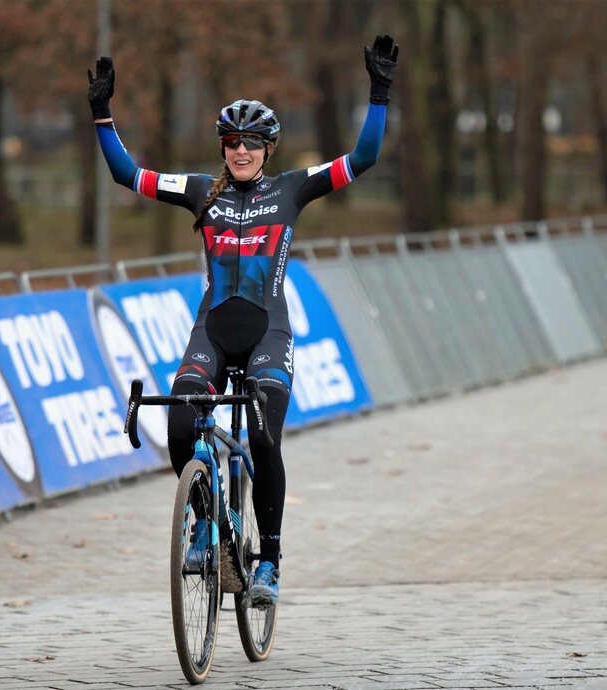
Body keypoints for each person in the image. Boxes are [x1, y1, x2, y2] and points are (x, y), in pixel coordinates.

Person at [89, 35, 399, 609]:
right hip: (211, 332)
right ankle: (206, 523)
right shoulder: (202, 191)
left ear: (268, 148)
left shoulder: (291, 190)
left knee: (261, 433)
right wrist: (102, 114)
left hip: (267, 335)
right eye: (231, 142)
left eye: (251, 143)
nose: (240, 151)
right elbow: (127, 175)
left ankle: (271, 561)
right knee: (181, 427)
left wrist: (379, 93)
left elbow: (364, 160)